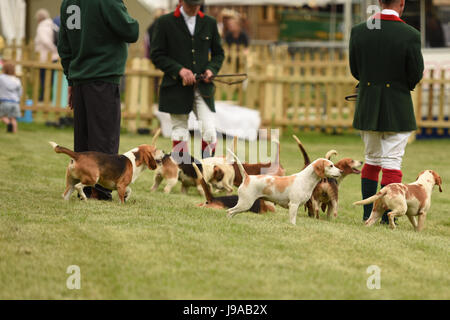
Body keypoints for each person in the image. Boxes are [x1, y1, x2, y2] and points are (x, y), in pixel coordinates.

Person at [349, 0, 424, 223]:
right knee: (392, 162)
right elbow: (416, 72)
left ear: (379, 2)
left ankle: (367, 214)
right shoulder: (410, 34)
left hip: (368, 104)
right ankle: (385, 218)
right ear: (401, 3)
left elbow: (356, 69)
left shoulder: (359, 31)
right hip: (397, 105)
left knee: (371, 159)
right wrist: (401, 88)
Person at [58, 0, 139, 200]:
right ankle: (99, 191)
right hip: (103, 75)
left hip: (80, 77)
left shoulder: (68, 2)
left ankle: (85, 187)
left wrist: (71, 78)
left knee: (84, 140)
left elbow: (64, 45)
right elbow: (131, 31)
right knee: (104, 137)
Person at [150, 0, 225, 159]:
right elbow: (156, 55)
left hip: (203, 87)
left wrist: (211, 69)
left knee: (209, 129)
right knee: (179, 130)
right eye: (191, 4)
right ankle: (182, 171)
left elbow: (219, 54)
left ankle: (207, 170)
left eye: (198, 5)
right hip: (175, 86)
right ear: (181, 1)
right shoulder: (165, 22)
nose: (195, 8)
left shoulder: (210, 23)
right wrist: (179, 70)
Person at [34, 9, 59, 101]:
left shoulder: (42, 27)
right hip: (54, 57)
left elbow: (45, 41)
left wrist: (54, 49)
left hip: (45, 57)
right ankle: (49, 96)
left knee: (44, 78)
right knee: (52, 79)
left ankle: (43, 97)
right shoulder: (53, 25)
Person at [0, 62, 22, 133]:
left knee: (2, 116)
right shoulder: (16, 80)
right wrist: (18, 98)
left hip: (5, 101)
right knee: (13, 118)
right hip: (15, 103)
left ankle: (8, 124)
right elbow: (20, 91)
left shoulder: (2, 78)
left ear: (4, 69)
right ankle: (14, 132)